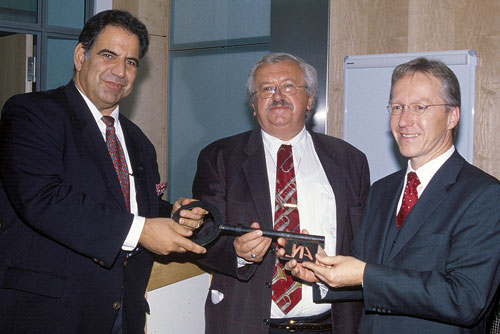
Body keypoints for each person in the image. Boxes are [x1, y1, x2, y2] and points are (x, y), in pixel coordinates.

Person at [0, 10, 206, 334]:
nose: (120, 71)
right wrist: (141, 231)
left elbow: (131, 208)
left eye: (131, 62)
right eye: (109, 55)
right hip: (49, 315)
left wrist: (175, 214)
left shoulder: (138, 141)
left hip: (123, 313)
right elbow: (42, 199)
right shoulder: (32, 113)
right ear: (81, 56)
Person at [284, 57, 500, 333]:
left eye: (419, 107)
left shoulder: (482, 195)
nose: (404, 120)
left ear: (452, 116)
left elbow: (466, 299)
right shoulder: (382, 191)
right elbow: (369, 281)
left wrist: (365, 275)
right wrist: (321, 276)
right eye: (397, 107)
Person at [192, 52, 370, 334]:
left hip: (332, 324)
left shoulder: (349, 160)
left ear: (310, 99)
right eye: (266, 89)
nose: (277, 96)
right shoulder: (220, 157)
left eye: (289, 86)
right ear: (253, 104)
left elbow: (363, 243)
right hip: (245, 322)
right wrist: (237, 253)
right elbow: (202, 235)